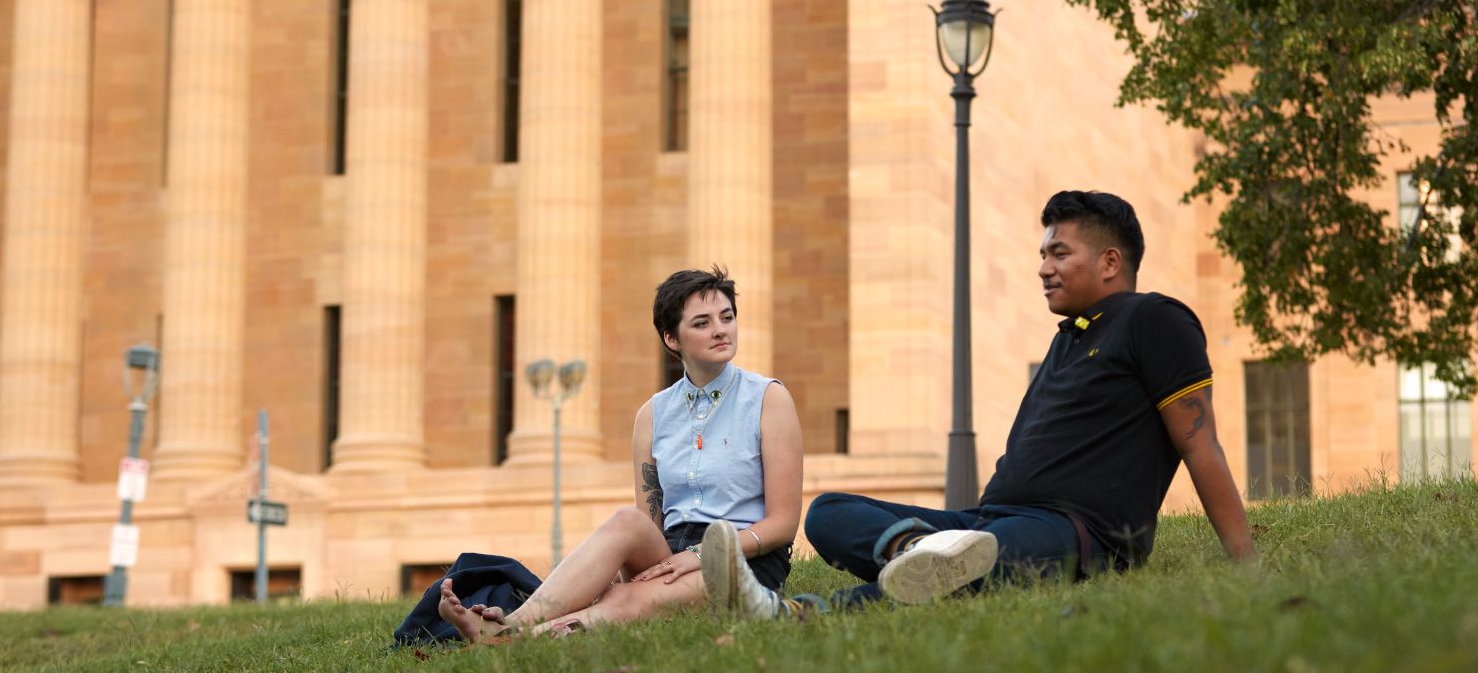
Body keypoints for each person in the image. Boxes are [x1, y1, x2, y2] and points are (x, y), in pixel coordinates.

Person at [706, 190, 1256, 617]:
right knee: (828, 511)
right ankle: (920, 552)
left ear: (1110, 261)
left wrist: (1246, 563)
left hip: (1077, 534)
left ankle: (797, 612)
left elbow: (1199, 442)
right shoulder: (1069, 338)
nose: (1043, 268)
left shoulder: (1155, 319)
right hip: (987, 519)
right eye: (1043, 254)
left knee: (985, 555)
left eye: (1059, 253)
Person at [435, 267, 805, 642]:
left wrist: (699, 555)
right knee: (627, 521)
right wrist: (609, 572)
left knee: (624, 598)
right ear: (672, 338)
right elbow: (648, 525)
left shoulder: (768, 399)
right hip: (669, 553)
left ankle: (511, 641)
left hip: (741, 559)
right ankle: (511, 622)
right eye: (702, 323)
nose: (721, 330)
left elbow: (784, 523)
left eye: (727, 317)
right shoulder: (653, 414)